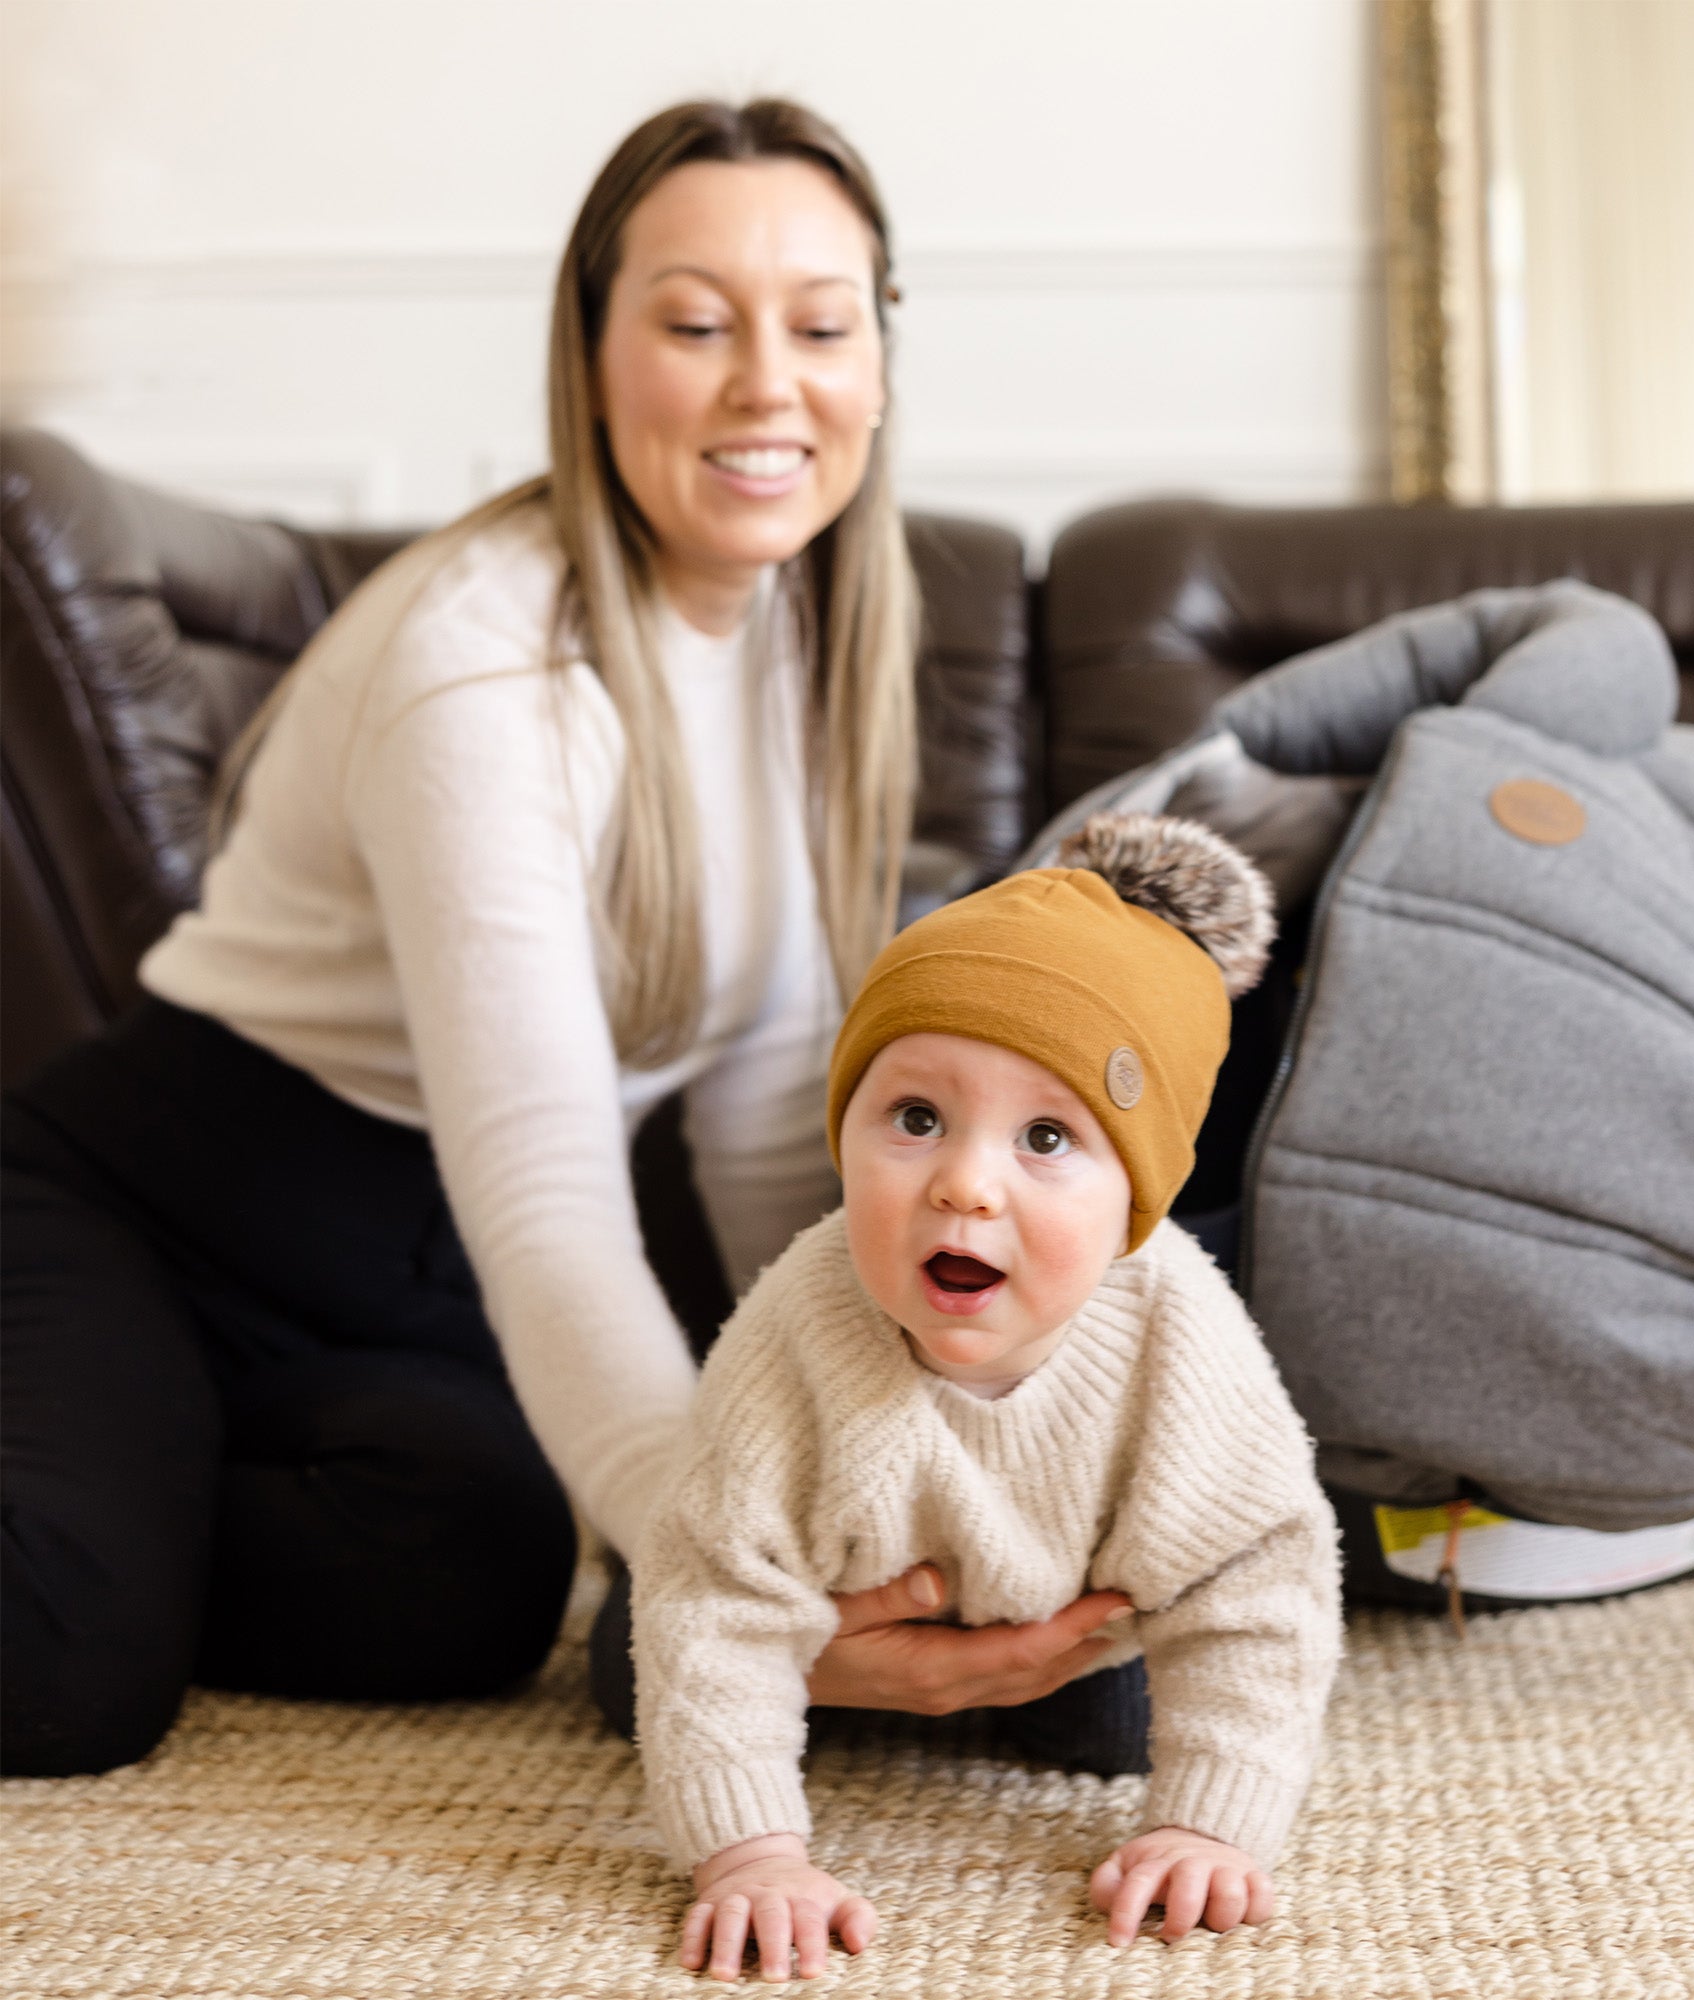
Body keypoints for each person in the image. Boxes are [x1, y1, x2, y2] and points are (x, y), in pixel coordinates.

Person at [0, 98, 1133, 1778]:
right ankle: (93, 1515)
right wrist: (745, 1604)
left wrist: (901, 1469)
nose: (768, 383)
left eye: (820, 325)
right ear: (595, 355)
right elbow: (543, 1199)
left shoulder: (804, 635)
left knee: (476, 1582)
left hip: (403, 1281)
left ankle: (109, 1483)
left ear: (876, 362)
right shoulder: (483, 667)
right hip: (152, 1206)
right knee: (66, 1675)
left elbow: (761, 1133)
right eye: (694, 323)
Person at [631, 813, 1344, 1983]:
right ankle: (827, 1725)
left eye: (1048, 1135)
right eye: (915, 1118)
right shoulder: (795, 1323)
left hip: (1073, 1609)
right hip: (835, 1609)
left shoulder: (1180, 1325)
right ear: (845, 1133)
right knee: (645, 1668)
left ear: (1134, 1203)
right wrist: (748, 1856)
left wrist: (1209, 1823)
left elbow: (1257, 1571)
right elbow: (715, 1596)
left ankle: (1053, 1710)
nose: (964, 1182)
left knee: (1120, 1724)